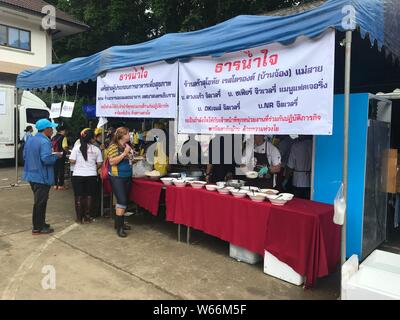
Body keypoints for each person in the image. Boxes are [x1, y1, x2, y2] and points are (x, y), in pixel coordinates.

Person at [23, 119, 61, 235]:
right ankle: (37, 227)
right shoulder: (45, 142)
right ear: (46, 129)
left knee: (40, 201)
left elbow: (24, 155)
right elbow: (46, 159)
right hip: (41, 177)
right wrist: (56, 156)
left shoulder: (31, 139)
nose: (53, 130)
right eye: (51, 128)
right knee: (40, 202)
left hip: (31, 174)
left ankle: (41, 223)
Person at [69, 129, 103, 223]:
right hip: (91, 175)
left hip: (78, 175)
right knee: (89, 196)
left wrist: (78, 162)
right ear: (92, 139)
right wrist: (93, 167)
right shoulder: (96, 149)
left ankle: (79, 218)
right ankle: (87, 217)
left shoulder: (76, 148)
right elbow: (99, 163)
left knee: (78, 196)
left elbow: (72, 161)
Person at [107, 127, 134, 238]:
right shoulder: (113, 146)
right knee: (122, 200)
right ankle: (119, 228)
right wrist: (124, 154)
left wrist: (131, 156)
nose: (130, 135)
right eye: (128, 133)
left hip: (127, 176)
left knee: (124, 200)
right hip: (117, 176)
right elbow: (112, 161)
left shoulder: (126, 146)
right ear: (122, 135)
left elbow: (129, 160)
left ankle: (120, 223)